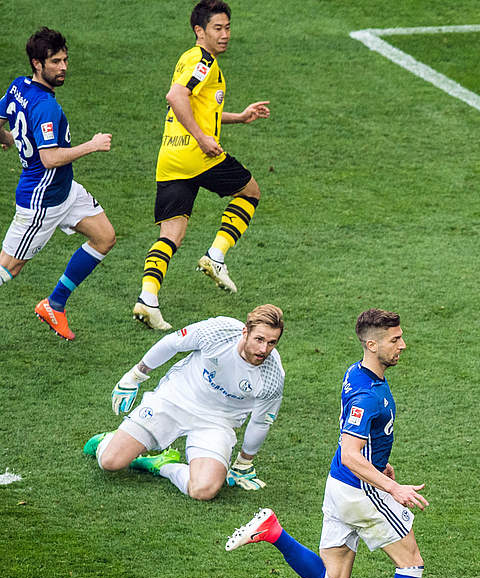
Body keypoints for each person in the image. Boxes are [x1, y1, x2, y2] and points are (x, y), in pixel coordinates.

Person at [226, 309, 431, 578]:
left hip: (339, 487)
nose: (403, 345)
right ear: (372, 344)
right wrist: (391, 486)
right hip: (360, 492)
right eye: (394, 340)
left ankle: (274, 532)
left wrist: (380, 461)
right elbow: (353, 455)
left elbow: (357, 449)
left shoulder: (356, 373)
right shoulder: (367, 396)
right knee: (411, 564)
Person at [133, 0, 271, 331]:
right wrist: (202, 138)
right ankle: (216, 256)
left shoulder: (190, 59)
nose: (225, 35)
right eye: (217, 28)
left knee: (171, 235)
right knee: (250, 192)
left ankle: (147, 299)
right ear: (200, 31)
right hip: (198, 156)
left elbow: (194, 107)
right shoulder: (202, 61)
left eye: (227, 28)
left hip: (171, 158)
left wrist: (238, 117)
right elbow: (176, 97)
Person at [83, 303, 285, 501]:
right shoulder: (218, 332)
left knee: (203, 490)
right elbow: (172, 343)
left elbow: (260, 422)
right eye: (259, 339)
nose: (263, 349)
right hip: (174, 399)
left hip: (217, 423)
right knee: (110, 462)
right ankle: (108, 440)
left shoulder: (273, 375)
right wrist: (135, 375)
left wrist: (243, 462)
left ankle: (160, 465)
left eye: (271, 342)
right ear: (245, 332)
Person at [0, 27, 116, 340]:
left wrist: (7, 138)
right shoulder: (45, 106)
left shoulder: (18, 86)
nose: (63, 67)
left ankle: (55, 305)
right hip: (41, 200)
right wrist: (91, 145)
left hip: (64, 190)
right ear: (37, 64)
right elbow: (50, 158)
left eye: (65, 60)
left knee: (104, 237)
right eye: (55, 62)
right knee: (7, 269)